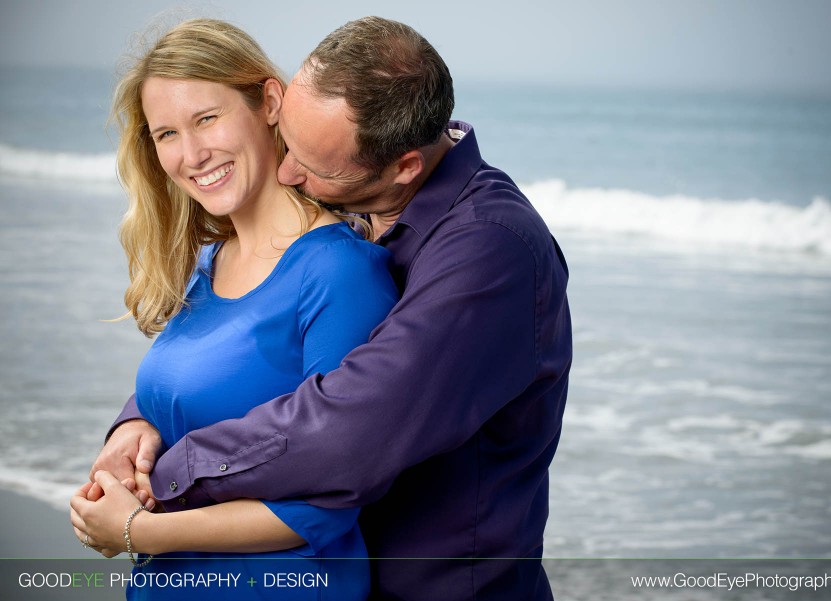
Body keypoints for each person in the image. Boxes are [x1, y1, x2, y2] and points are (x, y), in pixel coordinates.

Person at [93, 16, 572, 601]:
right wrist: (139, 423)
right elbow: (231, 351)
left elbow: (349, 431)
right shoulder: (360, 203)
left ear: (404, 168)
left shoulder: (488, 248)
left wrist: (159, 487)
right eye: (290, 140)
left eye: (312, 167)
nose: (288, 171)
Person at [69, 18, 398, 600]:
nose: (192, 154)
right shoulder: (208, 264)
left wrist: (140, 530)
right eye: (166, 133)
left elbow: (327, 505)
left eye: (207, 118)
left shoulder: (339, 272)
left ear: (269, 102)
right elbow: (190, 400)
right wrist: (132, 431)